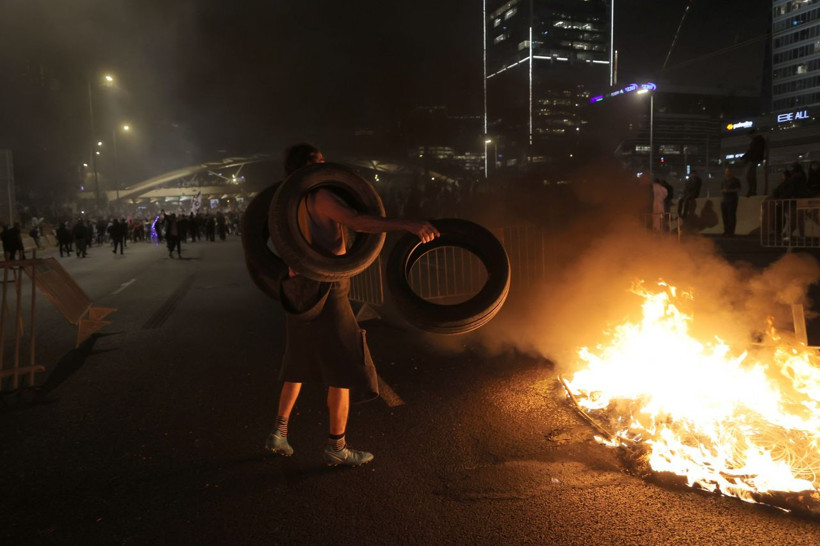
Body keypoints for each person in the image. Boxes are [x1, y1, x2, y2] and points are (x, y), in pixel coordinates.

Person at [245, 143, 439, 467]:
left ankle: (278, 434)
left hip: (300, 288)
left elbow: (269, 241)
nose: (325, 166)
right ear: (306, 169)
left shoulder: (288, 204)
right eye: (318, 162)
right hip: (328, 289)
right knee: (346, 368)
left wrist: (286, 267)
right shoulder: (321, 197)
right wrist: (407, 223)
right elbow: (358, 222)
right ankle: (338, 446)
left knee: (299, 364)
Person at [742, 128, 766, 196]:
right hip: (754, 160)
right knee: (750, 176)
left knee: (750, 176)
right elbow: (751, 151)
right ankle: (752, 190)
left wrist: (746, 157)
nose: (750, 137)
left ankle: (752, 191)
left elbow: (753, 151)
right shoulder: (756, 141)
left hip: (754, 160)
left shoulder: (758, 140)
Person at [721, 167, 742, 236]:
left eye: (728, 171)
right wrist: (724, 191)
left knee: (731, 216)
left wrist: (730, 191)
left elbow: (738, 189)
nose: (727, 173)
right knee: (725, 216)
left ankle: (731, 231)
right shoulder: (724, 181)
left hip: (732, 200)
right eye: (726, 171)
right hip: (724, 200)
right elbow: (721, 189)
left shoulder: (735, 180)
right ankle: (726, 231)